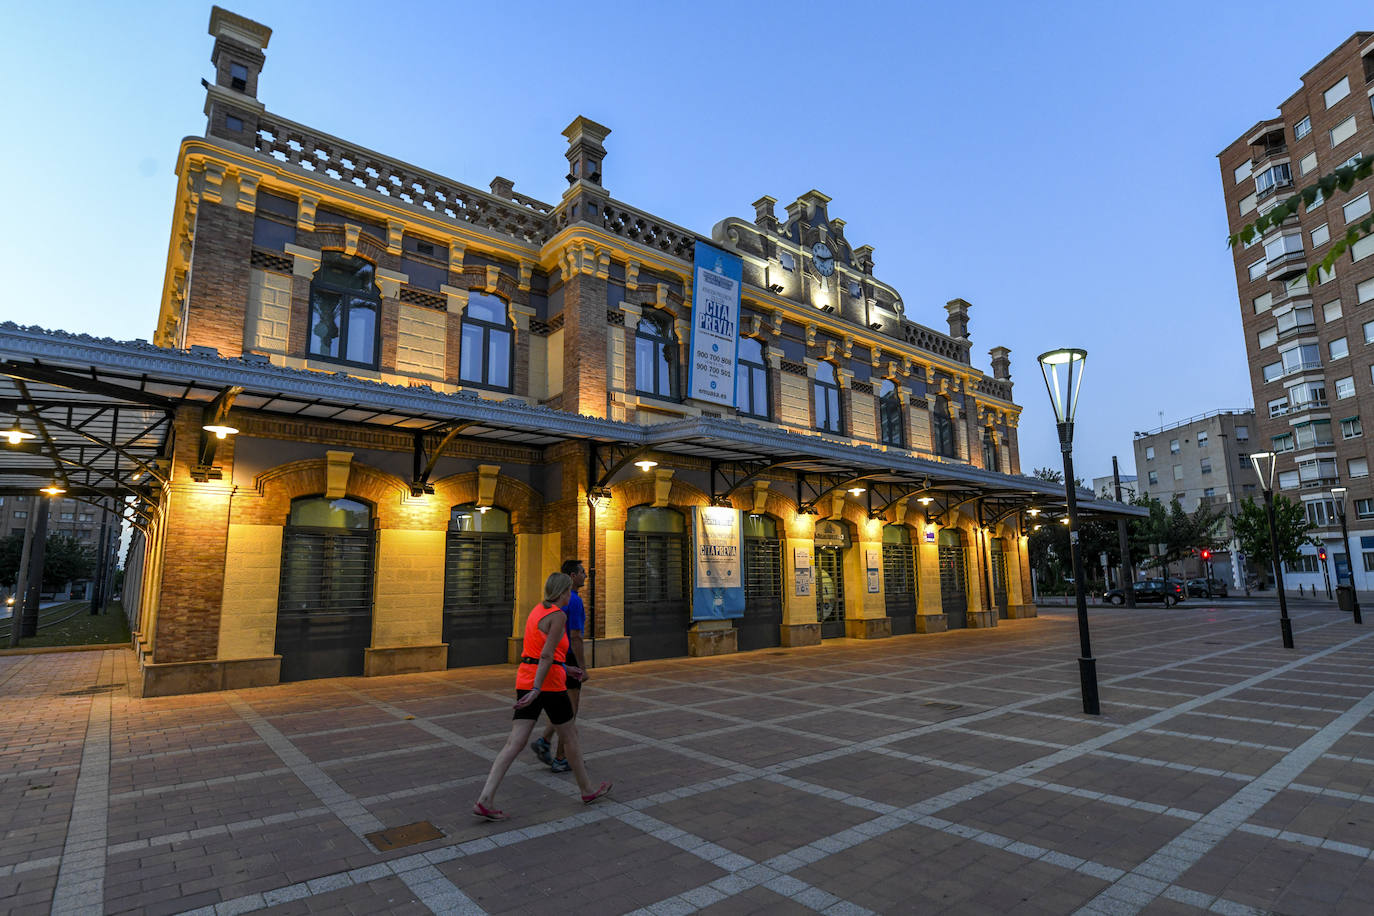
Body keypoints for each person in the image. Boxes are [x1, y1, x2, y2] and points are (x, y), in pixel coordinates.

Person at [473, 571, 611, 821]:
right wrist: (538, 688)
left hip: (525, 678)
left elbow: (538, 652)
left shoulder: (538, 610)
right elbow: (546, 655)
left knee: (515, 741)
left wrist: (566, 667)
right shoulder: (558, 616)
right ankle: (587, 790)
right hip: (547, 684)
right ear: (561, 593)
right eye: (568, 591)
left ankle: (485, 798)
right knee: (570, 736)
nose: (571, 595)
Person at [531, 559, 587, 772]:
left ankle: (544, 741)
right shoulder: (574, 601)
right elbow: (576, 636)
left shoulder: (549, 604)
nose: (585, 576)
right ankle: (562, 757)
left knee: (561, 707)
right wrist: (583, 667)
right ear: (572, 576)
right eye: (583, 572)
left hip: (557, 660)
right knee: (570, 710)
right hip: (569, 658)